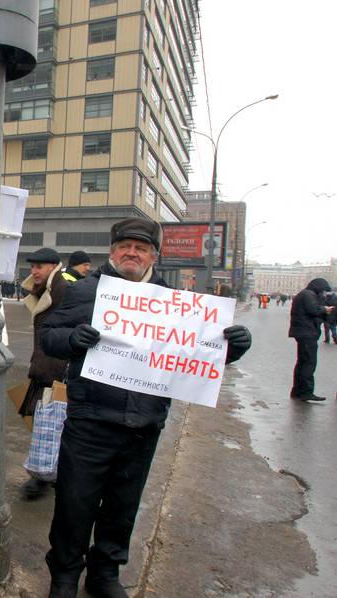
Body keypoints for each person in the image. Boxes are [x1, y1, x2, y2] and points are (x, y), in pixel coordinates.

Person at [39, 218, 252, 598]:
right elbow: (49, 337)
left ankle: (105, 573)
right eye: (125, 246)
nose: (132, 253)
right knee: (75, 502)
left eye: (141, 248)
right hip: (90, 421)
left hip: (144, 422)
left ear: (154, 254)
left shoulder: (174, 302)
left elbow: (196, 354)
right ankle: (66, 574)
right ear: (113, 250)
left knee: (123, 507)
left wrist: (232, 347)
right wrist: (73, 338)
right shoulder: (88, 291)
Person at [19, 247, 69, 499]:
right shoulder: (46, 290)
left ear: (53, 266)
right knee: (42, 421)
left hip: (55, 369)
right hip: (44, 366)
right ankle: (46, 474)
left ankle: (45, 476)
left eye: (39, 267)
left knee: (50, 423)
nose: (34, 271)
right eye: (32, 267)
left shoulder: (61, 290)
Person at [288, 278, 333, 401]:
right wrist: (325, 309)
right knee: (309, 363)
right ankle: (305, 392)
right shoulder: (308, 295)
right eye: (323, 290)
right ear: (318, 287)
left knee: (303, 362)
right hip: (307, 333)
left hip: (303, 332)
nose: (324, 293)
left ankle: (298, 391)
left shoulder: (305, 294)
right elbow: (313, 309)